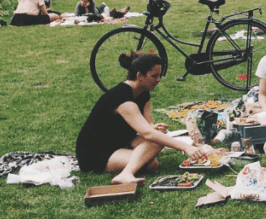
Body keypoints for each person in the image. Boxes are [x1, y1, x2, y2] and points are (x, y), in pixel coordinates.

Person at [76, 52, 209, 185]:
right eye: (154, 76)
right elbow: (147, 133)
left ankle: (129, 167)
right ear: (139, 76)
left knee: (155, 153)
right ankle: (125, 174)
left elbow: (149, 126)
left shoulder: (143, 94)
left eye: (159, 75)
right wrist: (185, 147)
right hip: (95, 153)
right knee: (151, 158)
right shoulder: (122, 98)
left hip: (119, 143)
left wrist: (154, 128)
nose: (158, 80)